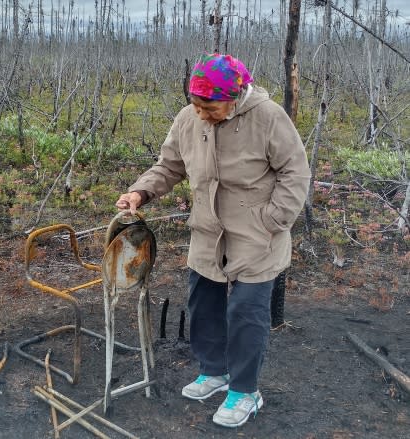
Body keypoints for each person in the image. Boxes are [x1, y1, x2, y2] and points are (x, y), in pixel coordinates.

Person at [115, 53, 310, 428]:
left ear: (234, 97)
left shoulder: (268, 118)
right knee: (203, 305)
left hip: (257, 235)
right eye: (196, 105)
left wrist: (273, 220)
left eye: (210, 106)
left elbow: (295, 171)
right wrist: (139, 193)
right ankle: (214, 372)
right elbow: (169, 165)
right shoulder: (189, 119)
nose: (202, 114)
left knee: (247, 313)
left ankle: (245, 390)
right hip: (207, 231)